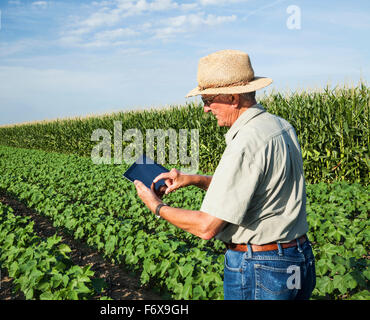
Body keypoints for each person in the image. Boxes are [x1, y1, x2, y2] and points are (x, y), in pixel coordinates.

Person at [133, 49, 316, 300]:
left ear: (232, 98)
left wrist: (156, 206)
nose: (206, 109)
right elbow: (256, 188)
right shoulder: (280, 126)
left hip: (262, 267)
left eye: (208, 100)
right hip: (298, 258)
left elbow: (207, 227)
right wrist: (194, 179)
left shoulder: (246, 142)